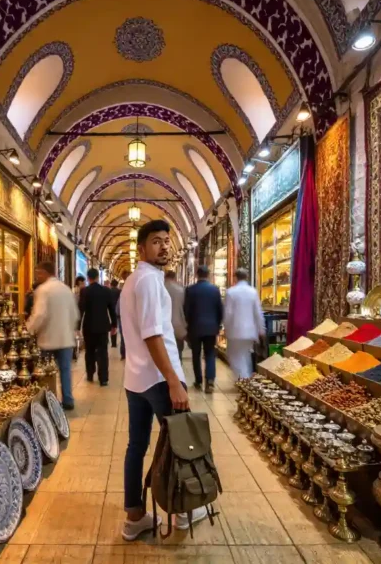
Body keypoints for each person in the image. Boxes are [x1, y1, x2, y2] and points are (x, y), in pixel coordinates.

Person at [119, 219, 207, 540]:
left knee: (137, 447)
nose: (164, 246)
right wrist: (172, 380)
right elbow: (153, 334)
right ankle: (184, 513)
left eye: (166, 241)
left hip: (137, 379)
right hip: (158, 377)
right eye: (156, 241)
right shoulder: (148, 282)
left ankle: (134, 518)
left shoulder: (135, 281)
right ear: (141, 249)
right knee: (182, 444)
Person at [26, 262, 79, 410]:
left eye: (38, 273)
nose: (37, 276)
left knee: (43, 371)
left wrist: (28, 329)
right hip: (65, 338)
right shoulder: (66, 289)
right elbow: (74, 314)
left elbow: (39, 315)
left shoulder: (43, 290)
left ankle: (45, 401)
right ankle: (68, 400)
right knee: (65, 370)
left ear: (44, 273)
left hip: (47, 339)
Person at [184, 265, 223, 393]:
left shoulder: (190, 290)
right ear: (208, 275)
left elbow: (187, 310)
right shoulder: (215, 290)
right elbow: (220, 309)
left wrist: (188, 325)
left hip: (195, 328)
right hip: (211, 328)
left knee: (196, 355)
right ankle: (210, 380)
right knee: (210, 354)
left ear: (197, 275)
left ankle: (198, 380)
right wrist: (218, 324)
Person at [223, 268, 265, 379]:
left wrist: (225, 328)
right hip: (250, 331)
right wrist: (261, 330)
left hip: (235, 331)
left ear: (235, 277)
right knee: (245, 356)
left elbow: (228, 313)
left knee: (234, 357)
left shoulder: (231, 292)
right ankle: (245, 379)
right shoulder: (253, 292)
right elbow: (258, 312)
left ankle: (244, 379)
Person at [78, 268, 117, 385]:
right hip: (102, 327)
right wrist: (114, 325)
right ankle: (103, 378)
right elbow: (112, 310)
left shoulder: (84, 291)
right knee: (103, 353)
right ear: (97, 277)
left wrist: (77, 327)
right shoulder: (106, 291)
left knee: (89, 351)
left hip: (88, 327)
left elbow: (81, 310)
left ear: (88, 278)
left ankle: (90, 374)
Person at [164, 271, 187, 361]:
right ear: (174, 278)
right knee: (178, 350)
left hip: (163, 325)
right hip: (178, 324)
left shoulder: (160, 288)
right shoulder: (181, 290)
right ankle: (178, 367)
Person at [117, 271, 130, 360]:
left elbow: (117, 308)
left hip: (123, 318)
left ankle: (123, 353)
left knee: (124, 336)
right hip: (130, 319)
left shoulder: (122, 291)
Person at [72, 275, 86, 360]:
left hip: (80, 317)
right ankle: (75, 351)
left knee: (77, 335)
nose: (84, 285)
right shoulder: (75, 294)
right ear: (79, 283)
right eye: (83, 283)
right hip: (76, 318)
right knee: (75, 334)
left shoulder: (82, 293)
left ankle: (76, 350)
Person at [110, 279, 122, 348]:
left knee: (113, 326)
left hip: (111, 310)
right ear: (117, 284)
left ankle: (113, 343)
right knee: (118, 326)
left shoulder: (109, 291)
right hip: (118, 311)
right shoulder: (119, 291)